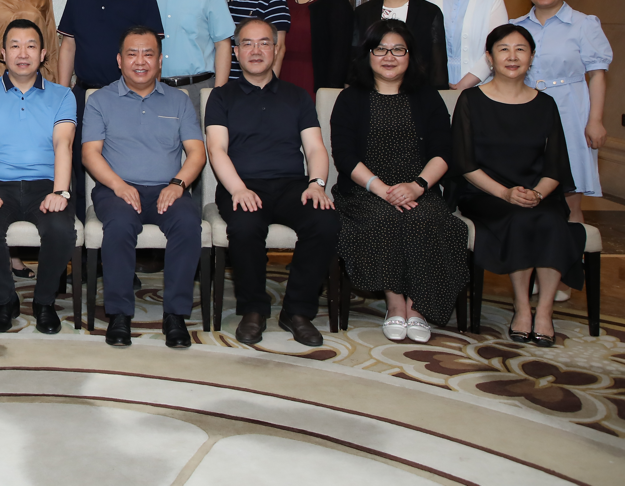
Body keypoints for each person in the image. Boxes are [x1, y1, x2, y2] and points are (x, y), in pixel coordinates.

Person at [329, 21, 468, 343]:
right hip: (365, 191)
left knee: (426, 218)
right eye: (380, 49)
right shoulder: (350, 99)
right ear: (368, 54)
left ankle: (418, 308)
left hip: (420, 188)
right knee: (384, 218)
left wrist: (417, 186)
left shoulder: (427, 97)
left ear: (410, 55)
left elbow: (443, 151)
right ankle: (395, 304)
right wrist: (382, 190)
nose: (389, 57)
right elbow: (344, 156)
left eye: (398, 49)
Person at [205, 18, 338, 347]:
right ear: (236, 52)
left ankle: (297, 311)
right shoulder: (221, 97)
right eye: (247, 43)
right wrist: (238, 188)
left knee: (325, 220)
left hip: (292, 185)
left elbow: (315, 148)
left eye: (264, 43)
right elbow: (216, 149)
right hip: (242, 184)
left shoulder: (297, 96)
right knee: (245, 225)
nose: (256, 50)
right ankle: (253, 309)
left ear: (276, 49)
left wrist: (317, 183)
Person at [453, 24, 583, 348]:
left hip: (537, 192)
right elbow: (465, 163)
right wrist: (505, 193)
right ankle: (522, 307)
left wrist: (537, 193)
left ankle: (545, 311)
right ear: (489, 57)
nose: (512, 57)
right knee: (520, 218)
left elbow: (555, 165)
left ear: (532, 57)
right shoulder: (471, 100)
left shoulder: (545, 104)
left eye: (520, 49)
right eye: (503, 49)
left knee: (552, 221)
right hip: (485, 193)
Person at [82, 26, 206, 348]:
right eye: (132, 54)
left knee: (188, 222)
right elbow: (90, 153)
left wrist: (178, 184)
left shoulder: (179, 101)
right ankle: (119, 314)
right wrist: (119, 185)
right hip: (116, 189)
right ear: (119, 60)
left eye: (148, 54)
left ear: (160, 61)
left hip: (168, 188)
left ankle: (175, 315)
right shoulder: (100, 100)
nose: (141, 61)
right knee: (120, 224)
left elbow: (197, 152)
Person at [0, 20, 77, 334]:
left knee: (60, 229)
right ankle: (5, 301)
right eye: (14, 46)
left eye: (30, 46)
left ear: (43, 54)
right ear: (3, 53)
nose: (22, 53)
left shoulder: (63, 96)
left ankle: (44, 302)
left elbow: (63, 144)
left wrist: (61, 192)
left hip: (46, 185)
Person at [58, 0, 165, 208]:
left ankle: (129, 215)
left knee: (126, 161)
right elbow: (68, 47)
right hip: (84, 95)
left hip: (128, 97)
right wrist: (62, 94)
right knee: (78, 161)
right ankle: (80, 223)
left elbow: (154, 53)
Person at [512, 0, 612, 226]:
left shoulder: (584, 24)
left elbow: (597, 75)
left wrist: (595, 120)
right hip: (526, 109)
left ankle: (572, 250)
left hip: (570, 111)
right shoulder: (516, 27)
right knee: (526, 188)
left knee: (569, 195)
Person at [353, 0, 447, 88]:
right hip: (371, 92)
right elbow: (356, 60)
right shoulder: (363, 12)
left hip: (418, 93)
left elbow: (437, 67)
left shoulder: (429, 12)